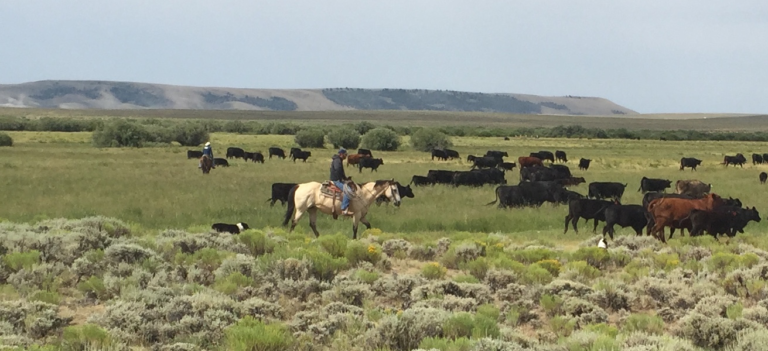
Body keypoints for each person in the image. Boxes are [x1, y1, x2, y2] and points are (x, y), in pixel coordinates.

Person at [330, 148, 353, 216]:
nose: (346, 156)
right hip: (336, 180)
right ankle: (344, 209)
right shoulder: (337, 161)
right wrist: (341, 179)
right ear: (341, 154)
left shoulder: (339, 160)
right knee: (348, 191)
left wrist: (345, 178)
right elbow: (338, 170)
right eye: (345, 154)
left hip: (338, 179)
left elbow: (341, 172)